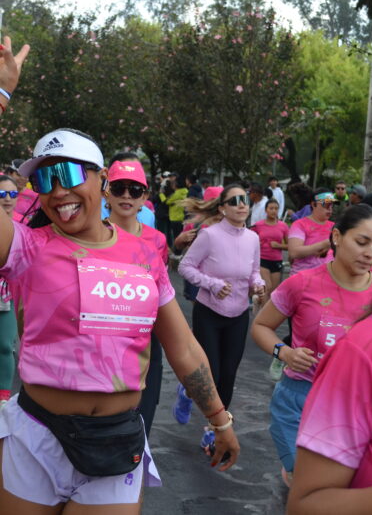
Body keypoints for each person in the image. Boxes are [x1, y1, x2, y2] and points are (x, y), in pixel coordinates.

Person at [0, 128, 239, 514]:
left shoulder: (144, 255)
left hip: (116, 441)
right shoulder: (26, 246)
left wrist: (219, 419)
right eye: (44, 179)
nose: (58, 191)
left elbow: (182, 346)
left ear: (102, 179)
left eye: (70, 174)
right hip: (36, 437)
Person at [251, 204, 372, 486]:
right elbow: (261, 326)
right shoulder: (301, 284)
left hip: (354, 406)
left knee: (334, 488)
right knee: (305, 480)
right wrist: (285, 352)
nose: (370, 253)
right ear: (336, 237)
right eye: (362, 242)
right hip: (299, 399)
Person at [287, 261, 372, 514]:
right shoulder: (364, 351)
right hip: (298, 390)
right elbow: (305, 505)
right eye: (362, 242)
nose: (368, 253)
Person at [175, 184, 265, 452]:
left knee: (228, 374)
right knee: (210, 373)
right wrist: (212, 284)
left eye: (244, 199)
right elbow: (185, 267)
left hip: (238, 314)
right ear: (223, 208)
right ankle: (187, 391)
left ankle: (213, 431)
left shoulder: (253, 238)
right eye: (234, 201)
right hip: (209, 312)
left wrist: (258, 285)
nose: (241, 204)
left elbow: (254, 272)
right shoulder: (209, 236)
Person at [105, 159, 168, 437]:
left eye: (135, 190)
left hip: (146, 342)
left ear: (145, 197)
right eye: (119, 188)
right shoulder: (91, 235)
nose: (127, 196)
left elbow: (161, 294)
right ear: (106, 192)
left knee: (141, 428)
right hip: (103, 342)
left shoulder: (157, 240)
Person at [173, 186, 224, 302]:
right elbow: (178, 246)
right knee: (199, 305)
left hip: (220, 274)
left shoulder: (229, 221)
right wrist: (181, 239)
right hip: (197, 274)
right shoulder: (196, 222)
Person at [0, 175, 19, 408]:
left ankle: (3, 397)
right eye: (2, 194)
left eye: (12, 194)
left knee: (5, 345)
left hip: (10, 293)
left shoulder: (24, 228)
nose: (7, 198)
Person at [288, 188, 337, 276]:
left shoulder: (334, 226)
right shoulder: (299, 225)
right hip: (303, 277)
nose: (330, 209)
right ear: (314, 204)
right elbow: (294, 252)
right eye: (326, 205)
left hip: (328, 277)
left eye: (331, 205)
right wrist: (324, 244)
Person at [250, 198, 289, 298]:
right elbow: (248, 241)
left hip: (276, 261)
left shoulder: (283, 226)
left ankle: (258, 303)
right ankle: (262, 307)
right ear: (266, 210)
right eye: (271, 208)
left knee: (273, 292)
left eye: (276, 208)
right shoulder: (258, 225)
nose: (274, 211)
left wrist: (279, 246)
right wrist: (256, 244)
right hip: (262, 259)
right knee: (267, 287)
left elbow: (290, 246)